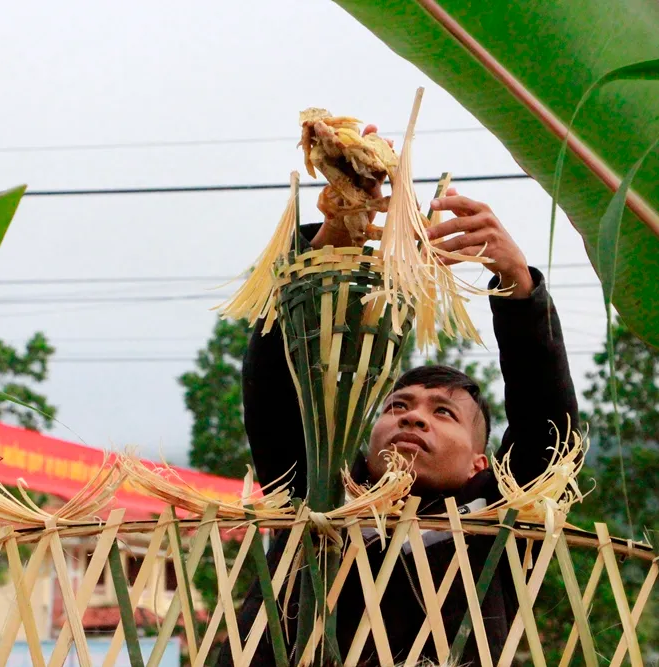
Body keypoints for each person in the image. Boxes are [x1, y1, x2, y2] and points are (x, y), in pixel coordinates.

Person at [216, 127, 578, 666]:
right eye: (398, 406)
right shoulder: (320, 497)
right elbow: (273, 391)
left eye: (443, 413)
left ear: (484, 461)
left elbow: (549, 432)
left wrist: (518, 287)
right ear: (367, 446)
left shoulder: (496, 521)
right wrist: (337, 234)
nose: (414, 419)